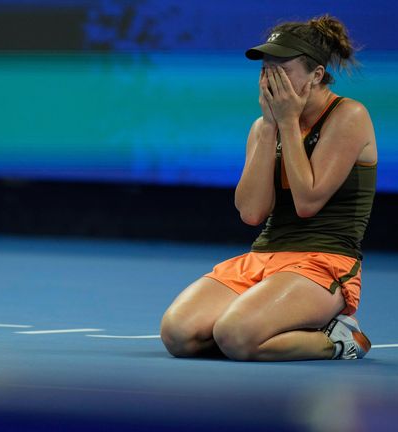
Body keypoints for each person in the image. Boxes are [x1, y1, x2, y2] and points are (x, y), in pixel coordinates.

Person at [159, 15, 377, 361]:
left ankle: (338, 337)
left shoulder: (349, 116)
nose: (268, 79)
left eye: (281, 69)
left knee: (236, 335)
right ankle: (262, 328)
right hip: (264, 257)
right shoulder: (263, 126)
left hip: (324, 263)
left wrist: (288, 122)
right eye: (265, 69)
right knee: (178, 334)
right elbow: (251, 212)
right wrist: (268, 129)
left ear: (316, 75)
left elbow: (308, 203)